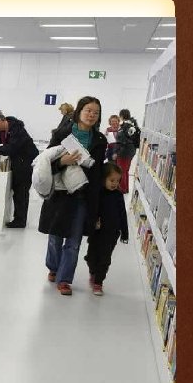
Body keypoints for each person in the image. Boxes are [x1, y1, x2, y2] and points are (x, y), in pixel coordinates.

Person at [38, 96, 107, 296]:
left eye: (96, 112)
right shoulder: (62, 133)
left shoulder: (99, 140)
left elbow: (97, 171)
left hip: (83, 195)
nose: (91, 115)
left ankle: (65, 279)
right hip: (60, 193)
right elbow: (45, 162)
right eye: (88, 110)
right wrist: (63, 162)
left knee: (74, 241)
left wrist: (98, 204)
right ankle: (53, 267)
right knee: (55, 237)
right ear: (79, 112)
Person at [83, 162, 129, 296]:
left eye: (117, 181)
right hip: (97, 232)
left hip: (111, 234)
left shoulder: (118, 196)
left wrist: (124, 233)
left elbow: (123, 214)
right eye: (112, 180)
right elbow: (92, 211)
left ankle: (98, 282)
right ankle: (93, 271)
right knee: (91, 257)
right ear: (103, 179)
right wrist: (91, 224)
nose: (115, 183)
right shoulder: (98, 193)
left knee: (105, 258)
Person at [115, 108, 140, 193]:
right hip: (131, 151)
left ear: (121, 116)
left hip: (124, 151)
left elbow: (122, 139)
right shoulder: (133, 125)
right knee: (125, 170)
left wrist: (117, 150)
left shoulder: (125, 126)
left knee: (121, 170)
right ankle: (125, 188)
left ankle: (122, 189)